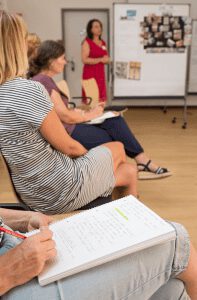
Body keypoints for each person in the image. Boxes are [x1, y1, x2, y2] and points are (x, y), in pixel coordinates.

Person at [0, 11, 137, 214]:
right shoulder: (29, 90)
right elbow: (70, 148)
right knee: (117, 147)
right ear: (17, 46)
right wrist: (88, 163)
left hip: (28, 192)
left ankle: (118, 220)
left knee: (129, 171)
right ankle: (129, 229)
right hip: (59, 190)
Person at [30, 40, 171, 180]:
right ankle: (128, 173)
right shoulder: (44, 81)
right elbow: (66, 117)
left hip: (69, 127)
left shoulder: (43, 79)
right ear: (51, 60)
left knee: (115, 120)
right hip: (68, 132)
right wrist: (91, 114)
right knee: (117, 139)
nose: (66, 62)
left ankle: (142, 161)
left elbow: (59, 112)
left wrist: (82, 113)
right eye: (62, 58)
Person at [0, 207, 197, 299]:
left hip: (14, 242)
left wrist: (24, 217)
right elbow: (71, 146)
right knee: (172, 239)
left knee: (170, 289)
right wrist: (8, 270)